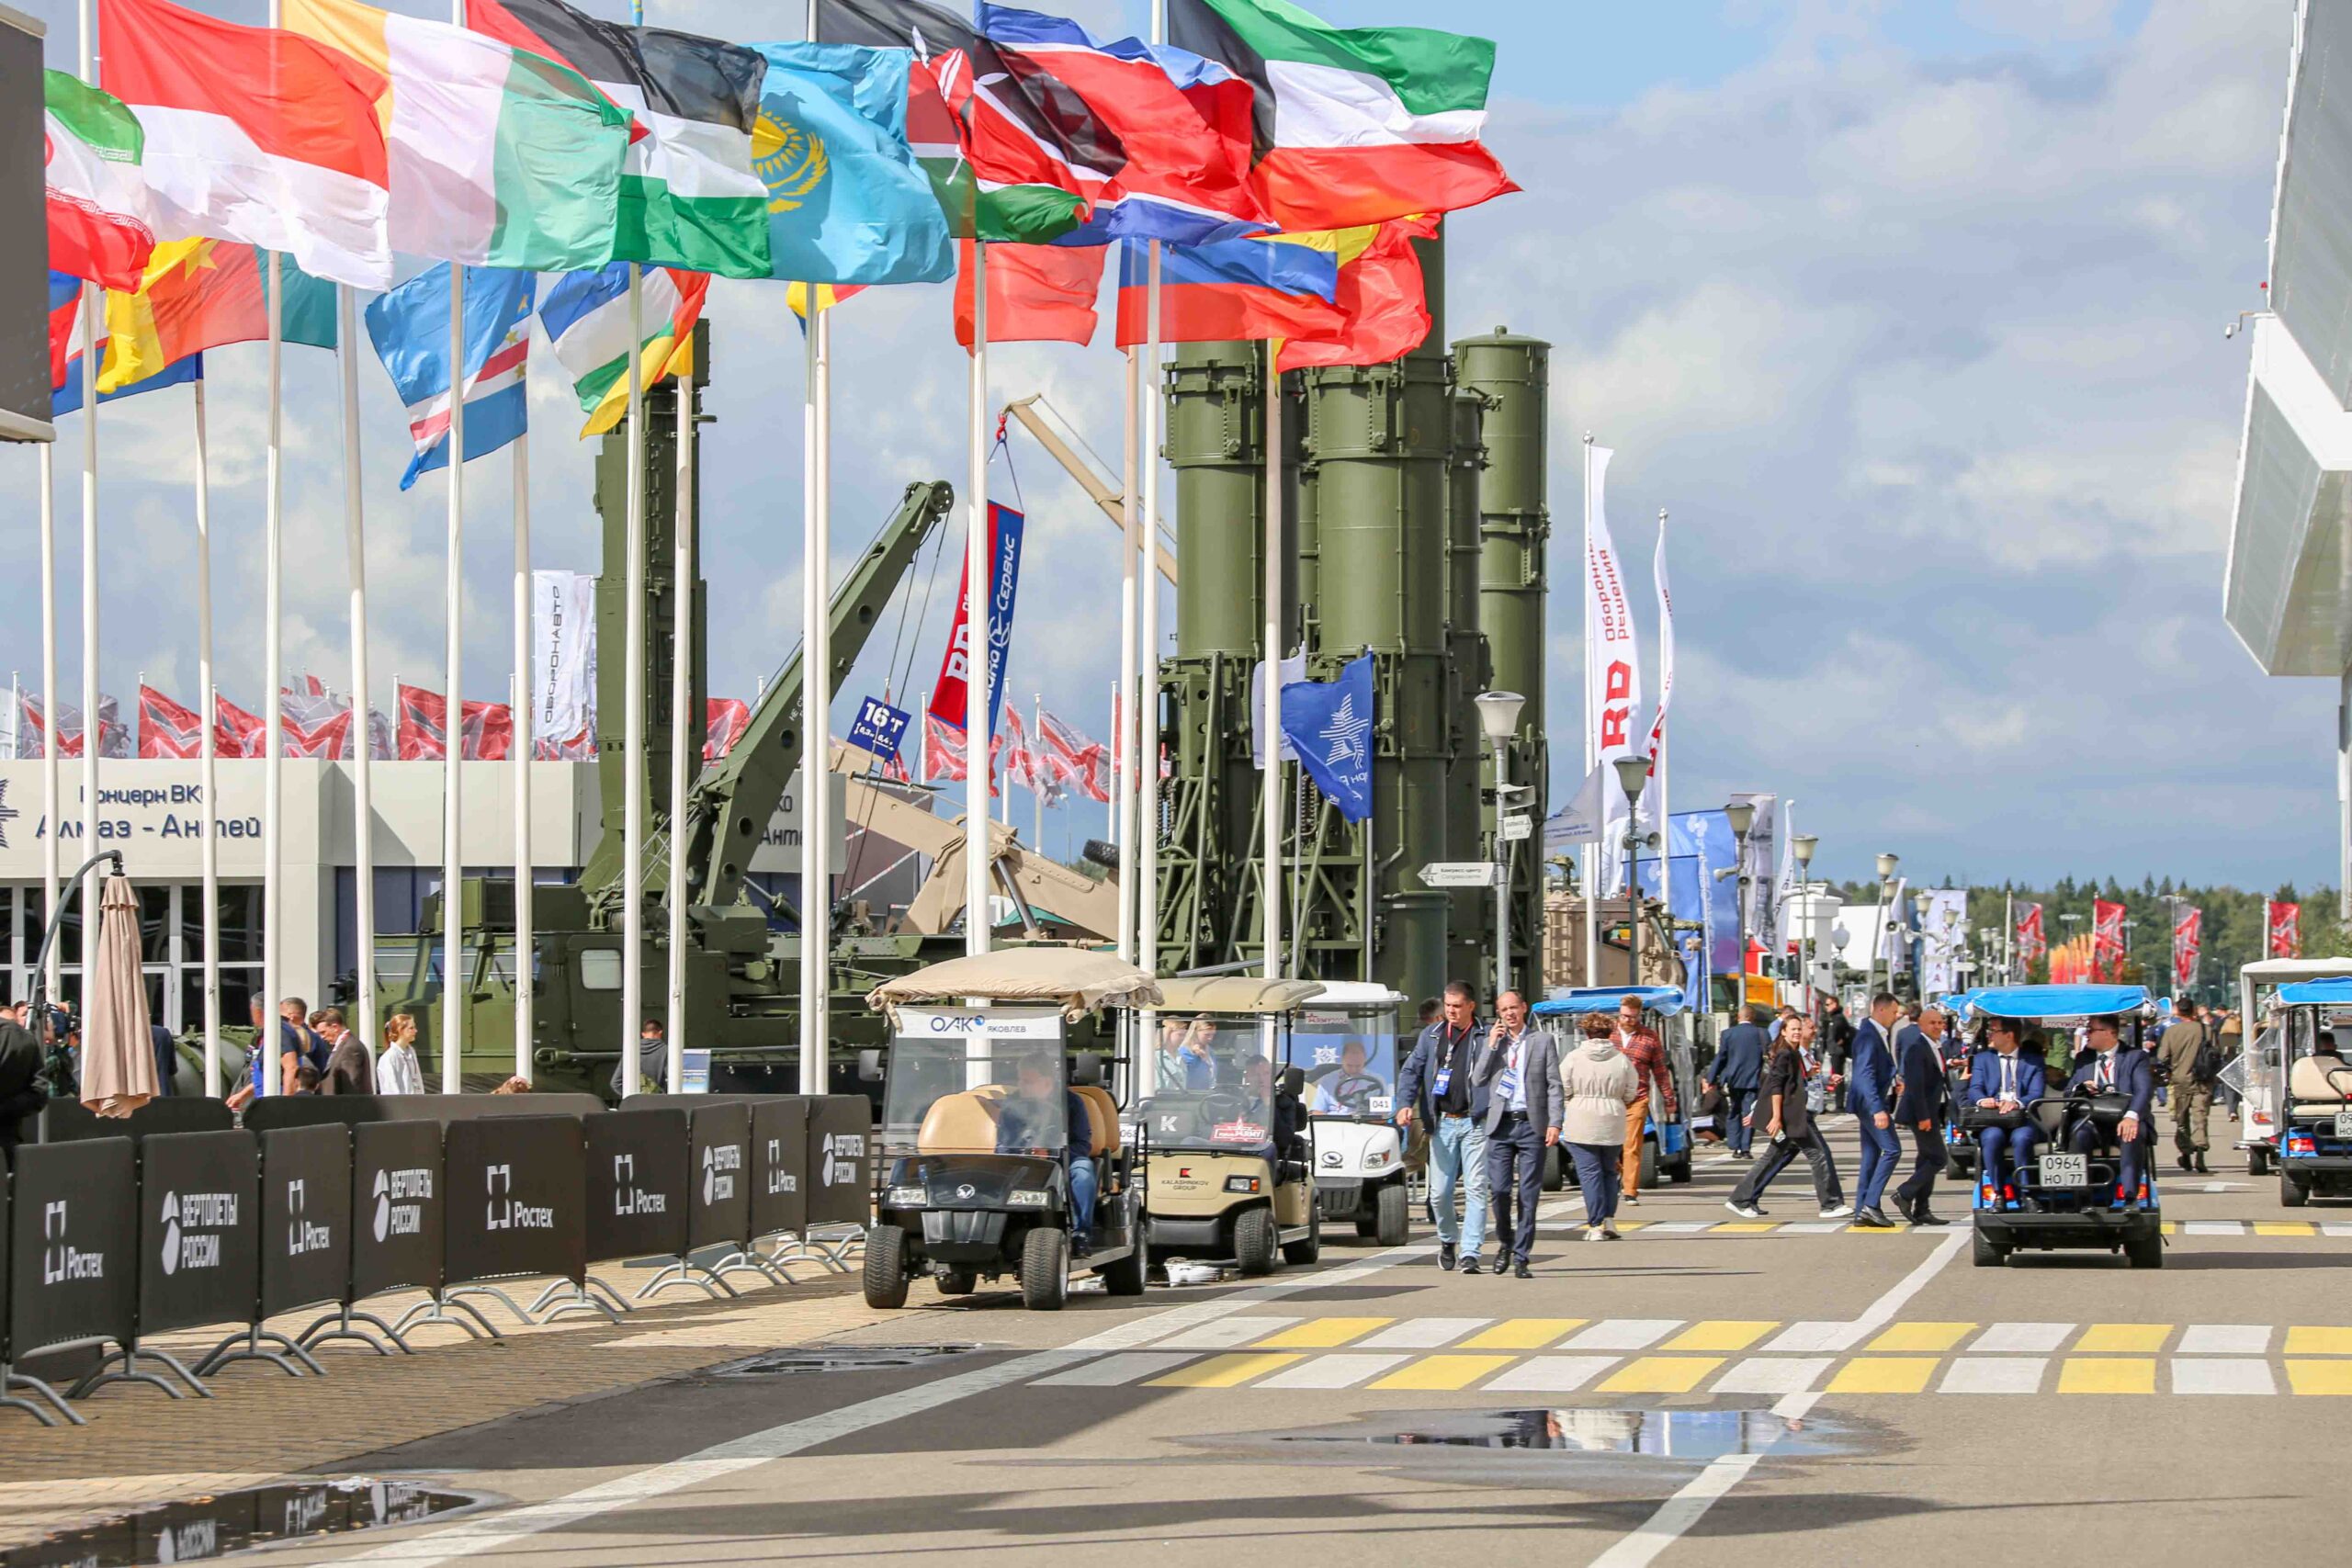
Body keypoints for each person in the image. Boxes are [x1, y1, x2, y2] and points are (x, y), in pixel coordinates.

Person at [1396, 980, 1497, 1273]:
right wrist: (1404, 1103)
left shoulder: (1486, 1035)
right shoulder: (1432, 1035)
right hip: (1441, 1123)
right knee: (1439, 1193)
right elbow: (1412, 1070)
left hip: (1474, 1122)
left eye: (1456, 1006)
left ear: (1470, 1006)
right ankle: (1447, 1240)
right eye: (1448, 1006)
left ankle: (1470, 1253)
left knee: (1477, 1188)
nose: (1451, 1011)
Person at [1725, 1014, 1849, 1218]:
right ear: (1783, 1031)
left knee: (1771, 1158)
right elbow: (1775, 1086)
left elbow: (1791, 1082)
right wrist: (1775, 1118)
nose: (1797, 1032)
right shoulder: (1785, 1053)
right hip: (1791, 1116)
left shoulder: (1793, 1053)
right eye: (1793, 1029)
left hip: (1792, 1114)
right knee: (1817, 1155)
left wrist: (1808, 1075)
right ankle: (1830, 1204)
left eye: (1799, 1029)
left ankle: (1739, 1199)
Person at [1481, 990, 1563, 1280]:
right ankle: (1505, 1241)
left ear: (1524, 1008)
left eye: (1513, 1008)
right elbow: (1477, 1078)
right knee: (1500, 1191)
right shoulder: (1494, 1043)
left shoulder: (1541, 1041)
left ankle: (1522, 1257)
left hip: (1531, 1125)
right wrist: (1491, 1046)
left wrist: (1555, 1122)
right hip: (1500, 1126)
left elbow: (1554, 1084)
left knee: (1528, 1195)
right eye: (1503, 1009)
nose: (1509, 1014)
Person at [991, 1055, 1099, 1252]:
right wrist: (1020, 1152)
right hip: (1021, 1161)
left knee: (1083, 1172)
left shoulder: (1072, 1103)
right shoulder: (1012, 1104)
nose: (1021, 1085)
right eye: (1020, 1079)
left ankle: (1080, 1232)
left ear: (1047, 1082)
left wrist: (1051, 1152)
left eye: (1028, 1081)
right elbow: (1002, 1144)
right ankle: (993, 1234)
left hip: (1062, 1161)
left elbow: (1082, 1143)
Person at [1563, 1013, 1639, 1240]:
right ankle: (1609, 1220)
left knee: (1589, 1173)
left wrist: (1572, 1102)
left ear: (1586, 1033)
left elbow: (1562, 1085)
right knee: (1608, 1171)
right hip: (1613, 1120)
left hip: (1581, 1119)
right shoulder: (1621, 1059)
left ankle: (1595, 1224)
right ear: (1610, 1033)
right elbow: (1631, 1091)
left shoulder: (1574, 1057)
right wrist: (1616, 1102)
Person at [2067, 1014, 2155, 1202]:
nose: (2086, 1034)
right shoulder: (2084, 1058)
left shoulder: (2135, 1057)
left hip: (2123, 1117)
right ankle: (2083, 1196)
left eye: (2091, 1030)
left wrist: (2132, 1116)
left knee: (2132, 1133)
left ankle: (2130, 1195)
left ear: (2110, 1033)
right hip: (2092, 1119)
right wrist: (2081, 1087)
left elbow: (2144, 1090)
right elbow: (2068, 1092)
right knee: (2079, 1132)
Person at [1892, 1005, 1953, 1224]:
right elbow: (1915, 1086)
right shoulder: (1918, 1048)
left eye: (1940, 1023)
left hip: (1933, 1110)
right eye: (1932, 1023)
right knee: (1939, 1157)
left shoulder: (1936, 1046)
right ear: (1921, 1025)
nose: (1937, 1026)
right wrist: (1923, 1116)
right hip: (1922, 1113)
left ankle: (1922, 1209)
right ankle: (1905, 1193)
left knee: (1926, 1158)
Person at [1846, 991, 1904, 1227]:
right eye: (1893, 1012)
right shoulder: (1869, 1036)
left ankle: (1862, 1208)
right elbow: (1864, 1075)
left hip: (1868, 1102)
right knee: (1892, 1150)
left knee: (1871, 1155)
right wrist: (1878, 1109)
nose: (1896, 1017)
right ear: (1881, 1010)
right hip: (1870, 1104)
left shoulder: (1874, 1033)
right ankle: (1870, 1205)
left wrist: (1894, 1080)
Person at [1613, 995, 1677, 1205]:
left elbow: (1660, 1071)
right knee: (1609, 1145)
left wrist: (1669, 1098)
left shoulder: (1649, 1037)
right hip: (1610, 1099)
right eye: (1624, 1016)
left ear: (1639, 1015)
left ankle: (1630, 1190)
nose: (1627, 1021)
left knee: (1631, 1145)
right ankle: (1616, 1175)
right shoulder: (1607, 1035)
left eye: (1632, 1017)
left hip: (1637, 1098)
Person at [2155, 998, 2214, 1175]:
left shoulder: (2172, 1031)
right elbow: (2216, 1053)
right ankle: (2201, 1153)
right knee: (2200, 1115)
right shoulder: (2206, 1030)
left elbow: (2162, 1056)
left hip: (2180, 1079)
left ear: (2177, 1011)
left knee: (2182, 1118)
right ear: (2194, 1010)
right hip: (2203, 1079)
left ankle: (2186, 1152)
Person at [1707, 1005, 1769, 1159]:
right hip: (1754, 1080)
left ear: (1738, 1017)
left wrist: (1711, 1078)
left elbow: (1721, 1057)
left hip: (1734, 1079)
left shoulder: (1728, 1034)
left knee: (1734, 1110)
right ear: (1753, 1017)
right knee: (1749, 1113)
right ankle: (1745, 1148)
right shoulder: (1762, 1033)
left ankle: (1735, 1146)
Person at [1310, 1038, 1387, 1114]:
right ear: (1342, 1059)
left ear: (1364, 1059)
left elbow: (1383, 1115)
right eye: (1349, 1065)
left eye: (1358, 1066)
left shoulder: (1377, 1081)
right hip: (1334, 1124)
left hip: (1367, 1124)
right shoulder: (1327, 1081)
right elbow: (1317, 1112)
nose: (1354, 1070)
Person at [314, 1007, 375, 1096]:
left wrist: (346, 1108)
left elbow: (351, 1085)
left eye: (323, 1032)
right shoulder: (344, 1046)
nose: (322, 1037)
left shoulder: (350, 1048)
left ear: (335, 1027)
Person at [1154, 1016, 1214, 1092]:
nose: (1183, 1038)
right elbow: (1155, 1088)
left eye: (1184, 1035)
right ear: (1167, 1034)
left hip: (1182, 1101)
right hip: (1164, 1101)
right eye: (1180, 1035)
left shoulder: (1181, 1057)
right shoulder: (1156, 1058)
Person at [613, 1018, 667, 1099]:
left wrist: (632, 1098)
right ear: (660, 1032)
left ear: (643, 1034)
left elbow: (615, 1083)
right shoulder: (667, 1051)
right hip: (660, 1104)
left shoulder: (631, 1051)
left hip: (636, 1106)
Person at [376, 1010, 428, 1096]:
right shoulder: (389, 1057)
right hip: (401, 1105)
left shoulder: (411, 1053)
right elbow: (391, 1090)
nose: (416, 1031)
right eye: (411, 1028)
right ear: (400, 1030)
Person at [1819, 997, 1857, 1077]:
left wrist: (1838, 1041)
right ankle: (1837, 1088)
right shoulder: (1833, 1017)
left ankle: (1838, 1089)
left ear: (1834, 1004)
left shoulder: (1838, 1018)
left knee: (1837, 1074)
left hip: (1837, 1051)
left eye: (1828, 1004)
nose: (1826, 1007)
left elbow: (1838, 1032)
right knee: (1835, 1073)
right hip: (1834, 1050)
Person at [151, 1018, 178, 1098]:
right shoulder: (162, 1033)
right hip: (163, 1093)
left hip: (134, 1098)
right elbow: (172, 1069)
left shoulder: (123, 1035)